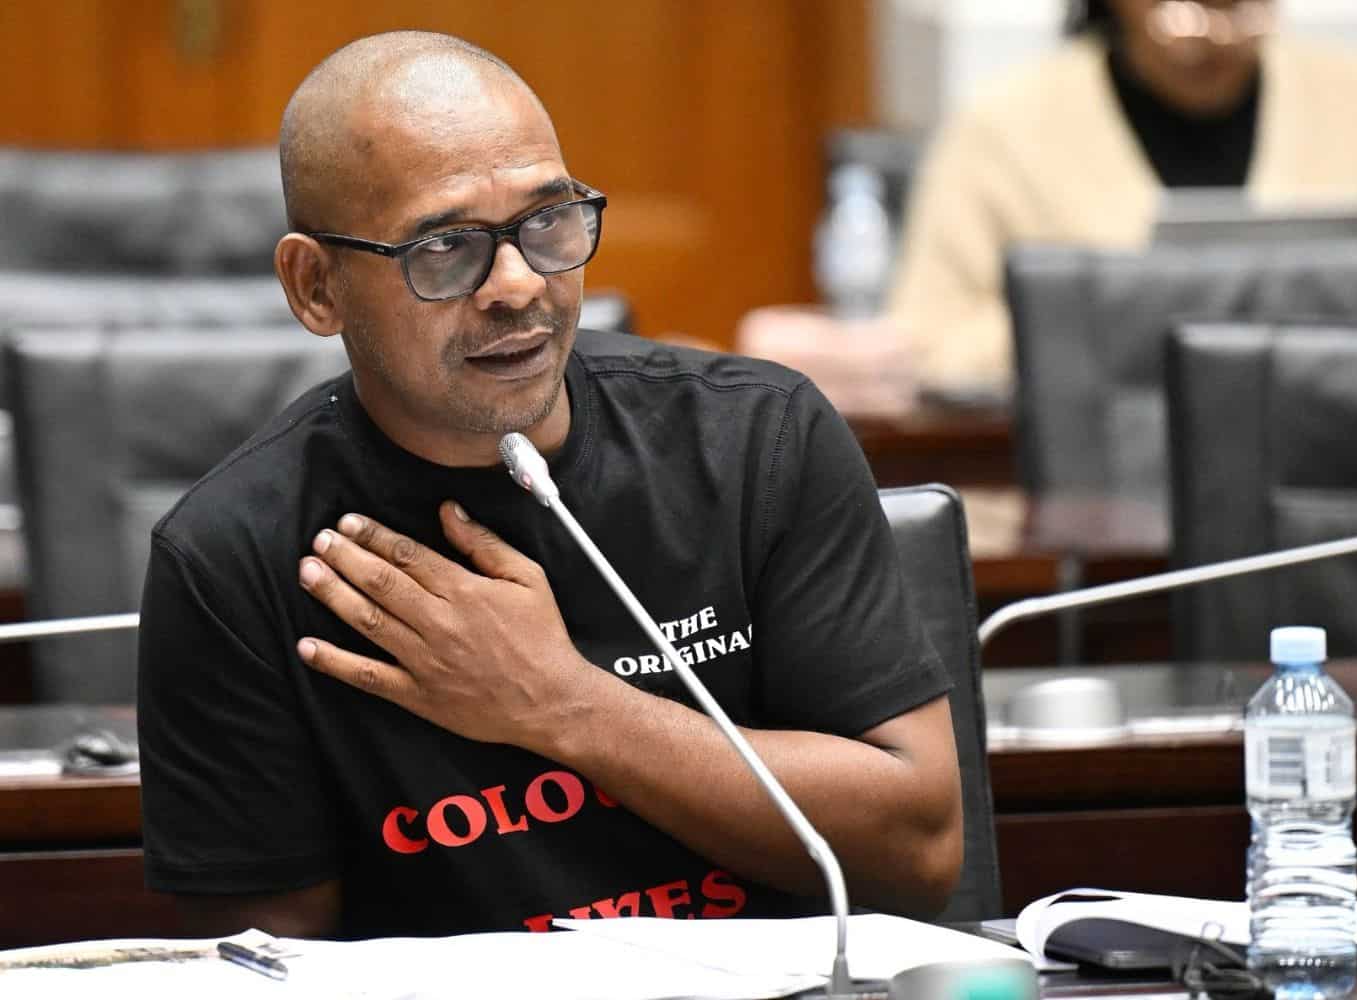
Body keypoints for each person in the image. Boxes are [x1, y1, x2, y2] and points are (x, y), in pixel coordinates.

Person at [136, 31, 963, 939]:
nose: (518, 284)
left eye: (547, 221)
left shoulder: (757, 440)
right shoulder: (235, 554)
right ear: (316, 285)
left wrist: (564, 703)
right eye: (446, 246)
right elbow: (267, 964)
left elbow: (920, 854)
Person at [886, 0, 1357, 389]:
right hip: (1100, 499)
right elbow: (929, 344)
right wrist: (1111, 326)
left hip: (1333, 459)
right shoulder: (1001, 126)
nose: (1207, 34)